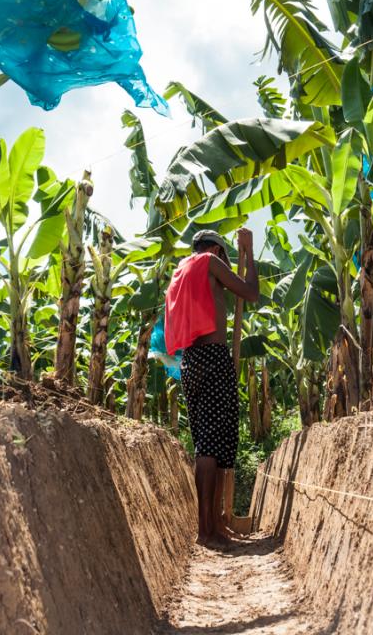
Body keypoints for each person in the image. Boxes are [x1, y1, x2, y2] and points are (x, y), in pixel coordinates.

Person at [165, 227, 259, 546]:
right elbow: (250, 291)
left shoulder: (182, 270)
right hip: (214, 357)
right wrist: (248, 250)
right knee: (209, 446)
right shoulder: (209, 261)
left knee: (214, 444)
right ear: (217, 251)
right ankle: (205, 531)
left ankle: (215, 524)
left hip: (191, 361)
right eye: (227, 258)